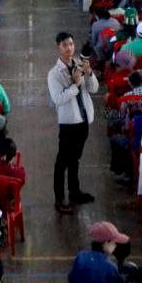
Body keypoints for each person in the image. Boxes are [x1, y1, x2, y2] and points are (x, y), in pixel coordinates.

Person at [48, 31, 99, 213]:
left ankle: (74, 191)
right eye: (64, 45)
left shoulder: (79, 64)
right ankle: (59, 199)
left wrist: (89, 73)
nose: (69, 48)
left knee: (75, 159)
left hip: (84, 119)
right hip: (69, 123)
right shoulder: (54, 74)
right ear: (58, 47)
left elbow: (93, 89)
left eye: (71, 44)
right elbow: (58, 99)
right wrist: (75, 84)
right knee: (62, 162)